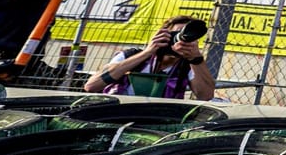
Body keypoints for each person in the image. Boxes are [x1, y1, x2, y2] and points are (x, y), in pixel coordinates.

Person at [84, 16, 214, 100]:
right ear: (163, 34)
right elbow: (91, 86)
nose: (182, 40)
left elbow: (206, 95)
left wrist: (196, 59)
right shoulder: (130, 55)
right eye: (177, 33)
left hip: (156, 117)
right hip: (116, 111)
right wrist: (147, 52)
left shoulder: (189, 65)